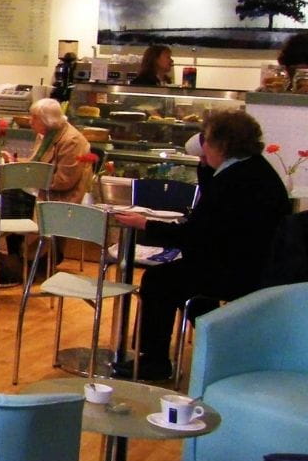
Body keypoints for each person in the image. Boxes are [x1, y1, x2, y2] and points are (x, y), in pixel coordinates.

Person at [113, 109, 289, 380]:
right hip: (254, 263)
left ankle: (155, 362)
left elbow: (196, 233)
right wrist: (206, 166)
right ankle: (219, 343)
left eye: (205, 139)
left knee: (159, 281)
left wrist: (145, 224)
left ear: (221, 143)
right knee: (184, 283)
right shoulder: (253, 169)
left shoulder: (234, 180)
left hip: (238, 269)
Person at [0, 97, 92, 274]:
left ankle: (6, 248)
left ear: (47, 120)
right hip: (42, 188)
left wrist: (27, 177)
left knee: (8, 194)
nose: (30, 121)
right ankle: (13, 252)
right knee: (5, 191)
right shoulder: (46, 135)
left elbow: (63, 181)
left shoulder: (71, 141)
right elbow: (36, 164)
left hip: (60, 194)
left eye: (34, 118)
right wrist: (17, 163)